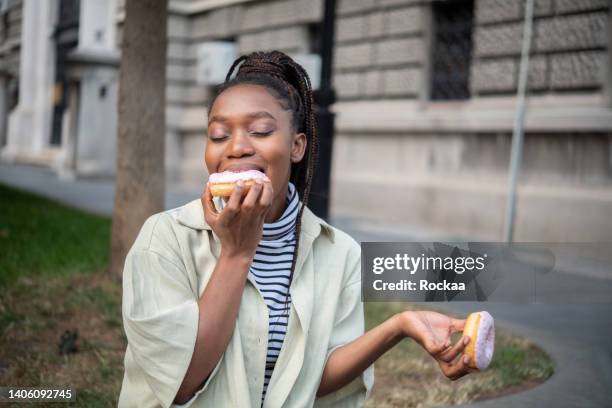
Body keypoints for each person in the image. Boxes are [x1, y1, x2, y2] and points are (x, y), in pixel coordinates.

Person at [118, 51, 473, 408]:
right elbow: (180, 382)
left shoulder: (338, 252)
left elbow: (314, 379)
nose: (237, 147)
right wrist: (238, 252)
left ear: (297, 146)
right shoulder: (164, 237)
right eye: (219, 134)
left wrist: (400, 325)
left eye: (260, 131)